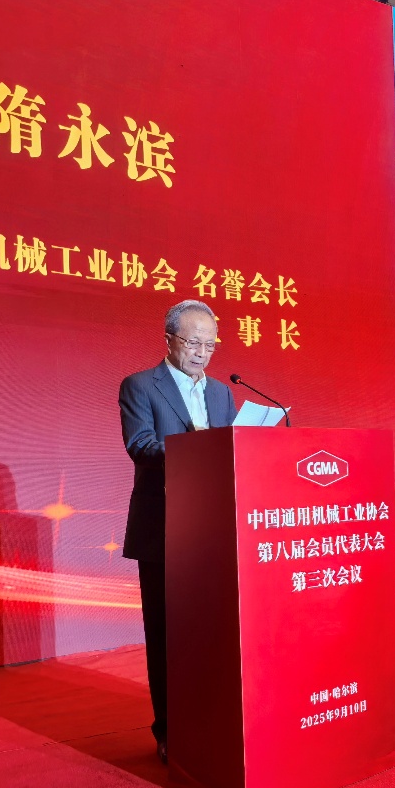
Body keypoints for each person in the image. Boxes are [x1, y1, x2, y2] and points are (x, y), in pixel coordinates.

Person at [119, 300, 238, 764]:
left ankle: (215, 721)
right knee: (167, 635)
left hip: (217, 531)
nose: (202, 352)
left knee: (216, 633)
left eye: (210, 344)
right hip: (164, 529)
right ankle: (169, 730)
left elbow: (232, 453)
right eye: (193, 342)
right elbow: (141, 445)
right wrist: (199, 451)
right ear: (169, 340)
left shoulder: (222, 394)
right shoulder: (139, 385)